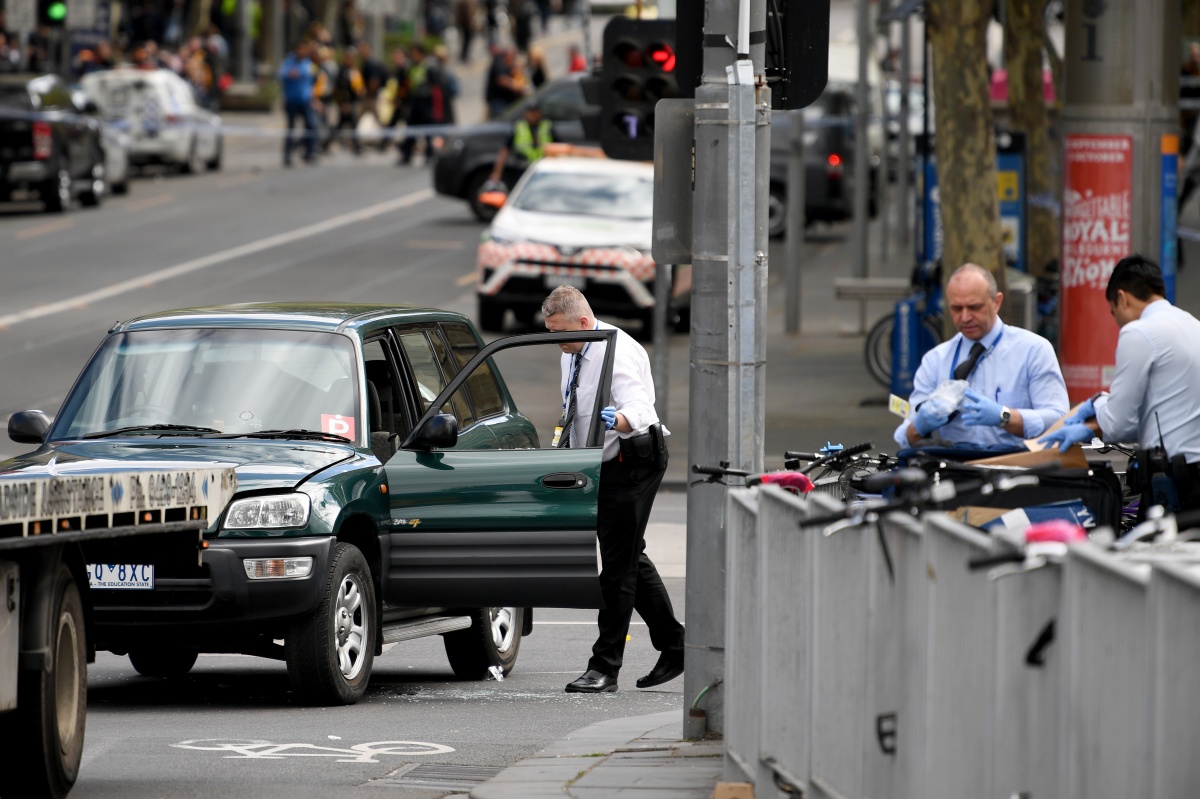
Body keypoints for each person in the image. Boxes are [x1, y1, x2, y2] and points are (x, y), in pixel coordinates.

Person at [542, 285, 685, 693]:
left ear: (584, 323)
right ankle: (675, 643)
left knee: (617, 567)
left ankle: (604, 667)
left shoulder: (616, 350)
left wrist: (619, 419)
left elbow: (640, 407)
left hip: (633, 460)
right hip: (601, 464)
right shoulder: (575, 348)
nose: (556, 341)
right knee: (629, 555)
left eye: (560, 332)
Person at [1039, 255, 1200, 512]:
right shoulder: (1193, 326)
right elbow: (1162, 415)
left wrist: (1096, 402)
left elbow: (1118, 424)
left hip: (1173, 482)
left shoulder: (1138, 332)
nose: (1118, 323)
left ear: (1122, 298)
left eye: (1114, 313)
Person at [895, 263, 1069, 452]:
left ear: (997, 302)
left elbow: (1059, 419)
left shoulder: (1033, 350)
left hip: (1017, 467)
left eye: (974, 307)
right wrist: (920, 425)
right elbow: (906, 438)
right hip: (955, 470)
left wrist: (1005, 416)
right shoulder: (935, 360)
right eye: (956, 308)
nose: (965, 317)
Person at [488, 100, 552, 184]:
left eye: (535, 112)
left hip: (543, 169)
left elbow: (559, 147)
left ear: (539, 113)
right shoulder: (519, 128)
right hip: (522, 170)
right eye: (530, 112)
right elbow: (504, 151)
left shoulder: (546, 127)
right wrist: (497, 173)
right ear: (526, 114)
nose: (533, 115)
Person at [278, 39, 319, 166]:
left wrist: (314, 98)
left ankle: (310, 152)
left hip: (305, 101)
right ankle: (287, 155)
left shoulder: (308, 63)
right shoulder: (289, 62)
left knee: (311, 126)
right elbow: (282, 74)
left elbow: (313, 79)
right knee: (291, 129)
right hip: (291, 101)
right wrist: (292, 73)